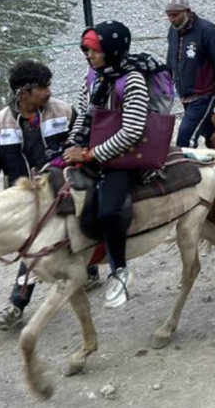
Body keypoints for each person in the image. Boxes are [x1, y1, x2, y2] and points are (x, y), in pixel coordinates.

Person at [0, 61, 98, 330]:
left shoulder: (63, 111)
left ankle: (85, 270)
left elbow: (84, 141)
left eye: (49, 85)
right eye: (43, 87)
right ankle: (18, 303)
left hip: (65, 187)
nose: (49, 92)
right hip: (26, 200)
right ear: (23, 92)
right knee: (35, 247)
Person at [64, 20, 155, 309]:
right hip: (91, 146)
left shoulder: (133, 81)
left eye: (94, 50)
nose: (89, 56)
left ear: (112, 50)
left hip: (124, 156)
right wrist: (73, 144)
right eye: (86, 50)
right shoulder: (93, 76)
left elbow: (132, 131)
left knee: (109, 207)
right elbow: (84, 114)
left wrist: (91, 155)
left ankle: (119, 269)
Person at [166, 0, 215, 148]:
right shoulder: (173, 31)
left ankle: (188, 172)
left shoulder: (207, 30)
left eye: (175, 14)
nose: (171, 18)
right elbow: (170, 60)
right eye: (169, 15)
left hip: (205, 93)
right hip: (186, 94)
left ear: (187, 11)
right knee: (209, 130)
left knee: (185, 138)